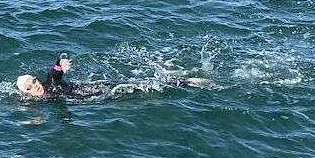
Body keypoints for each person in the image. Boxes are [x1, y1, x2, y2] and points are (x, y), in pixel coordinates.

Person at [15, 54, 209, 100]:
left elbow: (54, 74)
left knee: (140, 86)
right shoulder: (32, 102)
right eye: (29, 88)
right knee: (139, 86)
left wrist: (60, 65)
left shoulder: (49, 84)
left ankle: (187, 83)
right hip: (95, 93)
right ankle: (172, 78)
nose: (35, 86)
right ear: (26, 93)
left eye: (33, 81)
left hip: (97, 89)